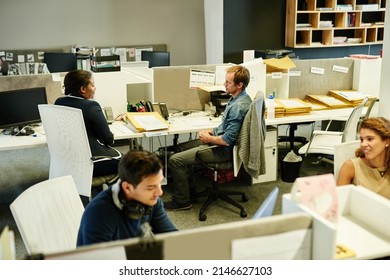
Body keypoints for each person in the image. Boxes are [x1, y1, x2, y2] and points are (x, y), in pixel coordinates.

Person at [164, 65, 252, 210]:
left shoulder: (238, 107)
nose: (224, 84)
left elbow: (226, 140)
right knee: (179, 148)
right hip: (221, 143)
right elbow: (226, 128)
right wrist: (212, 131)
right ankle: (189, 192)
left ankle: (182, 201)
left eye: (228, 82)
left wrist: (208, 139)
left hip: (223, 150)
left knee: (175, 160)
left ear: (239, 85)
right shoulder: (239, 98)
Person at [77, 150, 178, 246]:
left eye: (159, 183)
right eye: (150, 187)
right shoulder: (98, 215)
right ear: (127, 187)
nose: (160, 192)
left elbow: (174, 241)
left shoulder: (151, 201)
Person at [55, 69, 121, 177]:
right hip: (91, 161)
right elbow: (107, 140)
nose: (95, 88)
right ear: (83, 89)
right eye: (93, 85)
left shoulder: (59, 102)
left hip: (67, 159)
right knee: (129, 163)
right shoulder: (91, 106)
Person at [337, 117, 390, 199]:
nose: (363, 144)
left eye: (369, 139)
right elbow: (338, 203)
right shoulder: (350, 167)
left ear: (387, 142)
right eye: (362, 140)